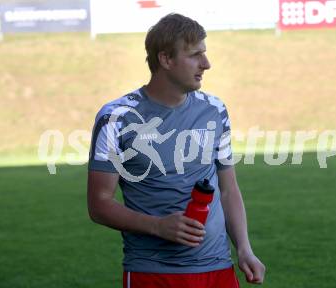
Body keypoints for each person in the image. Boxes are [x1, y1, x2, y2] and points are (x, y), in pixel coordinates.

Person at [87, 13, 265, 288]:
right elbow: (99, 204)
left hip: (219, 269)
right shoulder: (117, 118)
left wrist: (244, 248)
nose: (206, 64)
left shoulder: (215, 110)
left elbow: (228, 188)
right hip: (153, 272)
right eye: (195, 55)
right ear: (166, 59)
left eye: (204, 53)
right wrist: (157, 226)